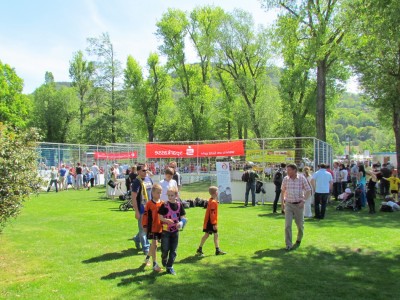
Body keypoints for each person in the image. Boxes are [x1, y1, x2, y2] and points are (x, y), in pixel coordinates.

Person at [281, 164, 311, 251]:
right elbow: (282, 191)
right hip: (289, 204)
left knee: (300, 225)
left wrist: (303, 201)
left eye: (289, 170)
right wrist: (282, 204)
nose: (287, 172)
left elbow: (308, 190)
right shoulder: (286, 179)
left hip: (299, 205)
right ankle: (288, 244)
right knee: (287, 225)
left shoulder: (301, 178)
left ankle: (299, 239)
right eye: (287, 170)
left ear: (294, 170)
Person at [158, 186, 187, 275]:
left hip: (175, 232)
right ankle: (164, 257)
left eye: (172, 195)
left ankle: (170, 266)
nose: (170, 197)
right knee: (165, 249)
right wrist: (166, 220)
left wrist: (181, 223)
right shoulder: (165, 205)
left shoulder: (179, 205)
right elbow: (160, 216)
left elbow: (183, 218)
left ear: (176, 195)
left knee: (173, 250)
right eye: (169, 195)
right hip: (166, 231)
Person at [196, 186, 227, 256]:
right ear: (216, 193)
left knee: (208, 235)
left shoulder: (211, 200)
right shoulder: (213, 202)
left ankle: (201, 249)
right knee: (213, 234)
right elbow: (212, 214)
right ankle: (216, 250)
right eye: (217, 191)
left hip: (209, 221)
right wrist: (214, 224)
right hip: (211, 222)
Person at [142, 184, 163, 272]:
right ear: (153, 193)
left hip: (160, 227)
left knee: (155, 245)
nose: (159, 195)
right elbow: (145, 216)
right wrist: (145, 226)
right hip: (152, 227)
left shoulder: (162, 203)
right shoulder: (149, 204)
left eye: (160, 193)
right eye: (158, 193)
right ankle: (155, 264)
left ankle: (147, 259)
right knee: (154, 244)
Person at [131, 164, 151, 256]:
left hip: (150, 208)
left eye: (146, 170)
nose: (145, 172)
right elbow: (134, 198)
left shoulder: (148, 179)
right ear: (138, 171)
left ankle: (136, 238)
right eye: (143, 170)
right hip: (141, 209)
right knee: (143, 229)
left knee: (147, 228)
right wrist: (136, 211)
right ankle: (146, 248)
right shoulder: (136, 182)